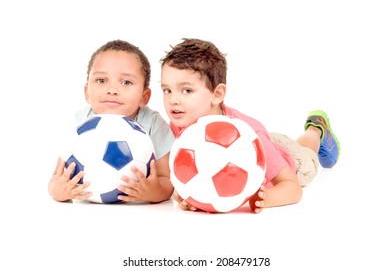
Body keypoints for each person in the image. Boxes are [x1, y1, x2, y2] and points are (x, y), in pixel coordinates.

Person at [160, 38, 340, 213]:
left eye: (186, 90)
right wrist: (189, 195)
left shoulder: (252, 136)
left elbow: (293, 188)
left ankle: (316, 128)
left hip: (289, 160)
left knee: (305, 153)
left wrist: (265, 198)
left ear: (217, 94)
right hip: (266, 142)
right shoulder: (180, 124)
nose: (173, 100)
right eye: (167, 90)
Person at [48, 40, 175, 203]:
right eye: (101, 80)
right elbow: (56, 179)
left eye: (126, 82)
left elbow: (167, 180)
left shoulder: (153, 124)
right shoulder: (80, 123)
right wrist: (59, 192)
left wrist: (154, 193)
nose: (112, 90)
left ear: (144, 97)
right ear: (87, 93)